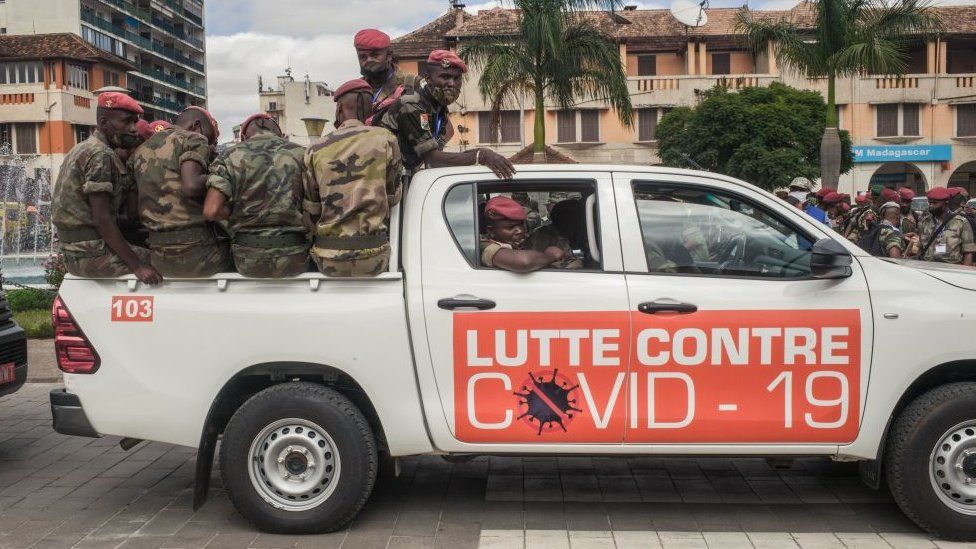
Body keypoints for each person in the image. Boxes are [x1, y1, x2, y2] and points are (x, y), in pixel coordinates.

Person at [51, 92, 161, 284]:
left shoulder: (82, 148)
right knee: (168, 261)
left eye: (135, 122)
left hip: (75, 252)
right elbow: (102, 218)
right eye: (127, 122)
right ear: (103, 123)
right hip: (92, 254)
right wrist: (137, 266)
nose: (134, 129)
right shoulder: (101, 155)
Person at [304, 79, 402, 277]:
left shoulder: (316, 148)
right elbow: (393, 197)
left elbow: (312, 208)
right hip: (374, 258)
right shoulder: (386, 139)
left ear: (339, 108)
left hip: (329, 260)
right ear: (369, 110)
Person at [378, 49, 515, 180]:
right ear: (428, 78)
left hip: (403, 177)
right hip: (383, 179)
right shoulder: (412, 104)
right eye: (445, 77)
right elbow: (433, 158)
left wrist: (482, 154)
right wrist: (481, 155)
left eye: (457, 78)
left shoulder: (438, 107)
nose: (452, 84)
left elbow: (438, 154)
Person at [203, 114, 310, 278]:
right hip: (295, 256)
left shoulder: (229, 156)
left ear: (243, 137)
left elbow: (211, 210)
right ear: (280, 135)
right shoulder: (301, 153)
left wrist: (236, 211)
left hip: (247, 259)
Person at [131, 106, 231, 277]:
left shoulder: (140, 151)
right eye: (209, 137)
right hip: (201, 256)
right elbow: (191, 185)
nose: (209, 144)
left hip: (159, 258)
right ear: (196, 126)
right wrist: (225, 178)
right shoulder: (193, 139)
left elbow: (132, 211)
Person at [480, 196, 565, 272]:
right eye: (511, 227)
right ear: (491, 231)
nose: (519, 230)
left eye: (521, 224)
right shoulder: (485, 245)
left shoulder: (517, 242)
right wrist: (550, 256)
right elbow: (524, 262)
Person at [354, 29, 417, 125]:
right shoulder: (356, 89)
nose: (368, 60)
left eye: (374, 55)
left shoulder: (412, 84)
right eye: (363, 57)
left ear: (389, 56)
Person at [915, 187, 975, 265]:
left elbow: (968, 252)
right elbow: (921, 248)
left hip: (951, 270)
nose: (931, 206)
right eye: (929, 203)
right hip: (928, 268)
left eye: (935, 203)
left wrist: (964, 273)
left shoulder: (961, 222)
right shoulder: (925, 222)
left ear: (946, 203)